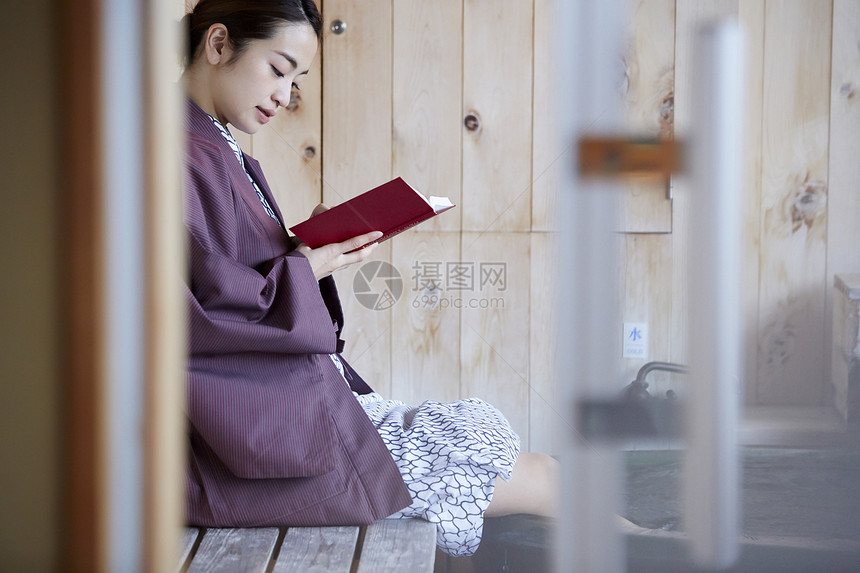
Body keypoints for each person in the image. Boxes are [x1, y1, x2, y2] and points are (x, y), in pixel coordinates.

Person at [181, 0, 558, 557]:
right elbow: (195, 317)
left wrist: (307, 252)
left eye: (296, 80)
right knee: (541, 480)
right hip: (243, 437)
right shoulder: (175, 153)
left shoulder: (214, 144)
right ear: (217, 44)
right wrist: (304, 266)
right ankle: (666, 550)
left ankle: (657, 544)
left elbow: (230, 279)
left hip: (282, 402)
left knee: (543, 471)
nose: (286, 96)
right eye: (279, 69)